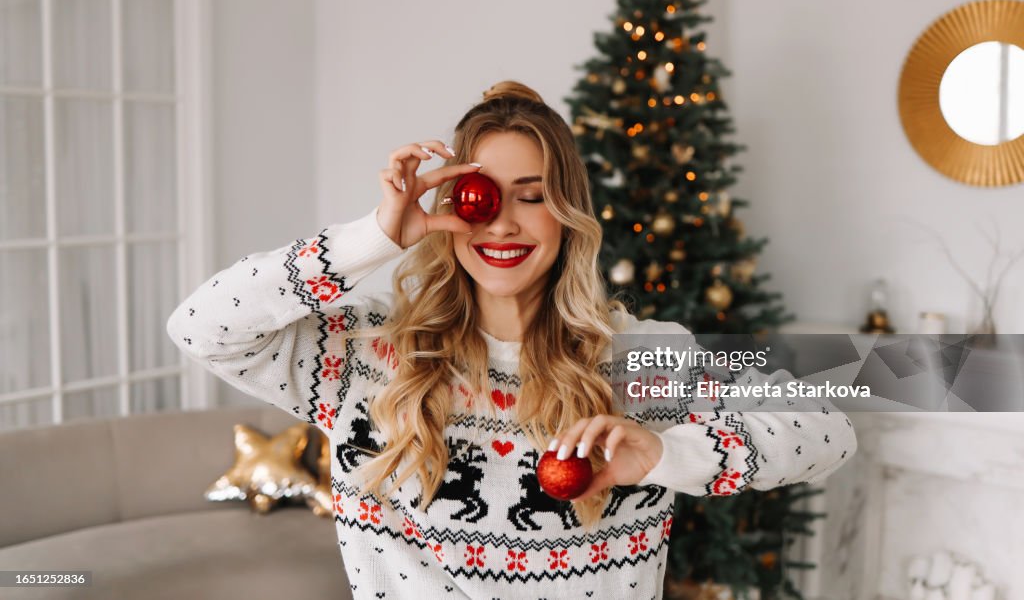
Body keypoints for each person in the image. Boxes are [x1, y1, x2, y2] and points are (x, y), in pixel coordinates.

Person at [167, 81, 857, 599]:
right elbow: (200, 326)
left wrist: (664, 454)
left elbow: (830, 424)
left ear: (567, 214)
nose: (500, 225)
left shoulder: (642, 359)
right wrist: (372, 238)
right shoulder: (365, 352)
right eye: (481, 196)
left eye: (531, 196)